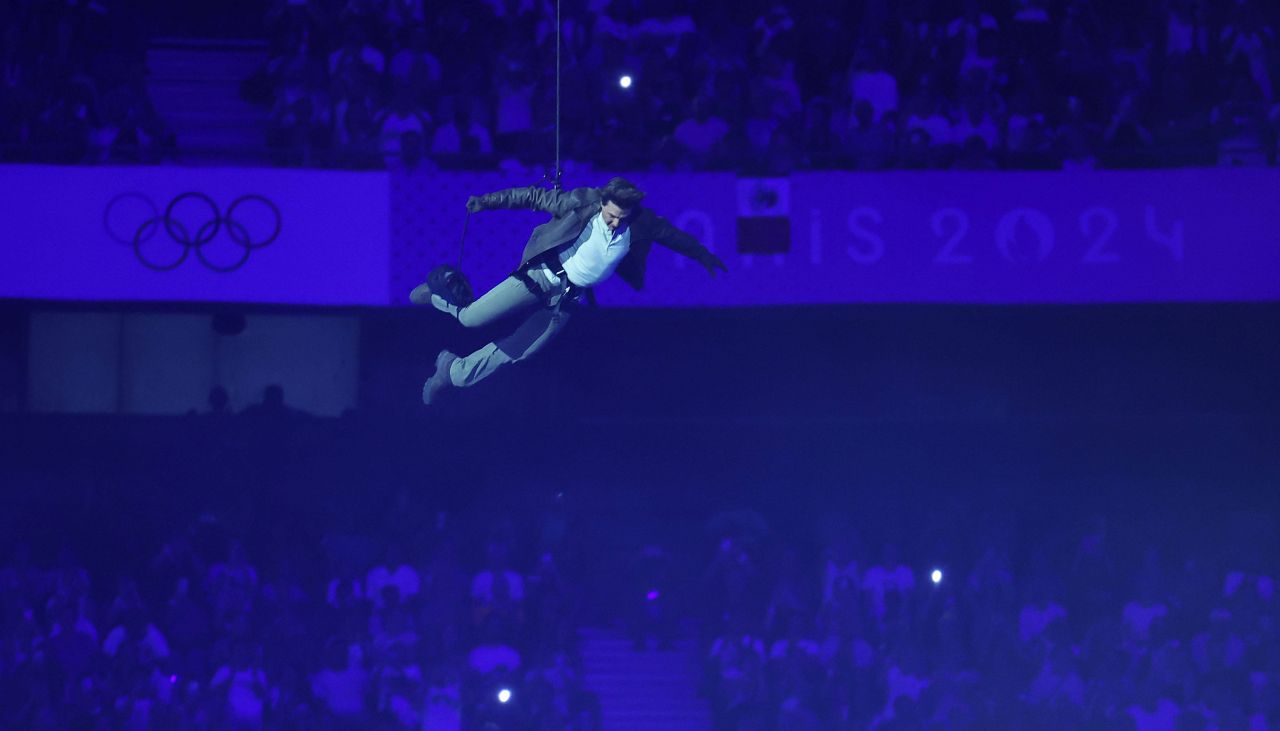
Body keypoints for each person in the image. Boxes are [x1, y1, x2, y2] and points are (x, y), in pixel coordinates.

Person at [412, 177, 727, 404]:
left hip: (564, 300)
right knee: (470, 319)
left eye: (622, 218)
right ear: (602, 202)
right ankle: (436, 296)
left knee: (517, 353)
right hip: (540, 277)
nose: (615, 223)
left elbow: (673, 236)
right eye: (611, 216)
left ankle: (451, 371)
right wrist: (486, 201)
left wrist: (703, 255)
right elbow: (532, 197)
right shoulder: (582, 203)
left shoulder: (642, 223)